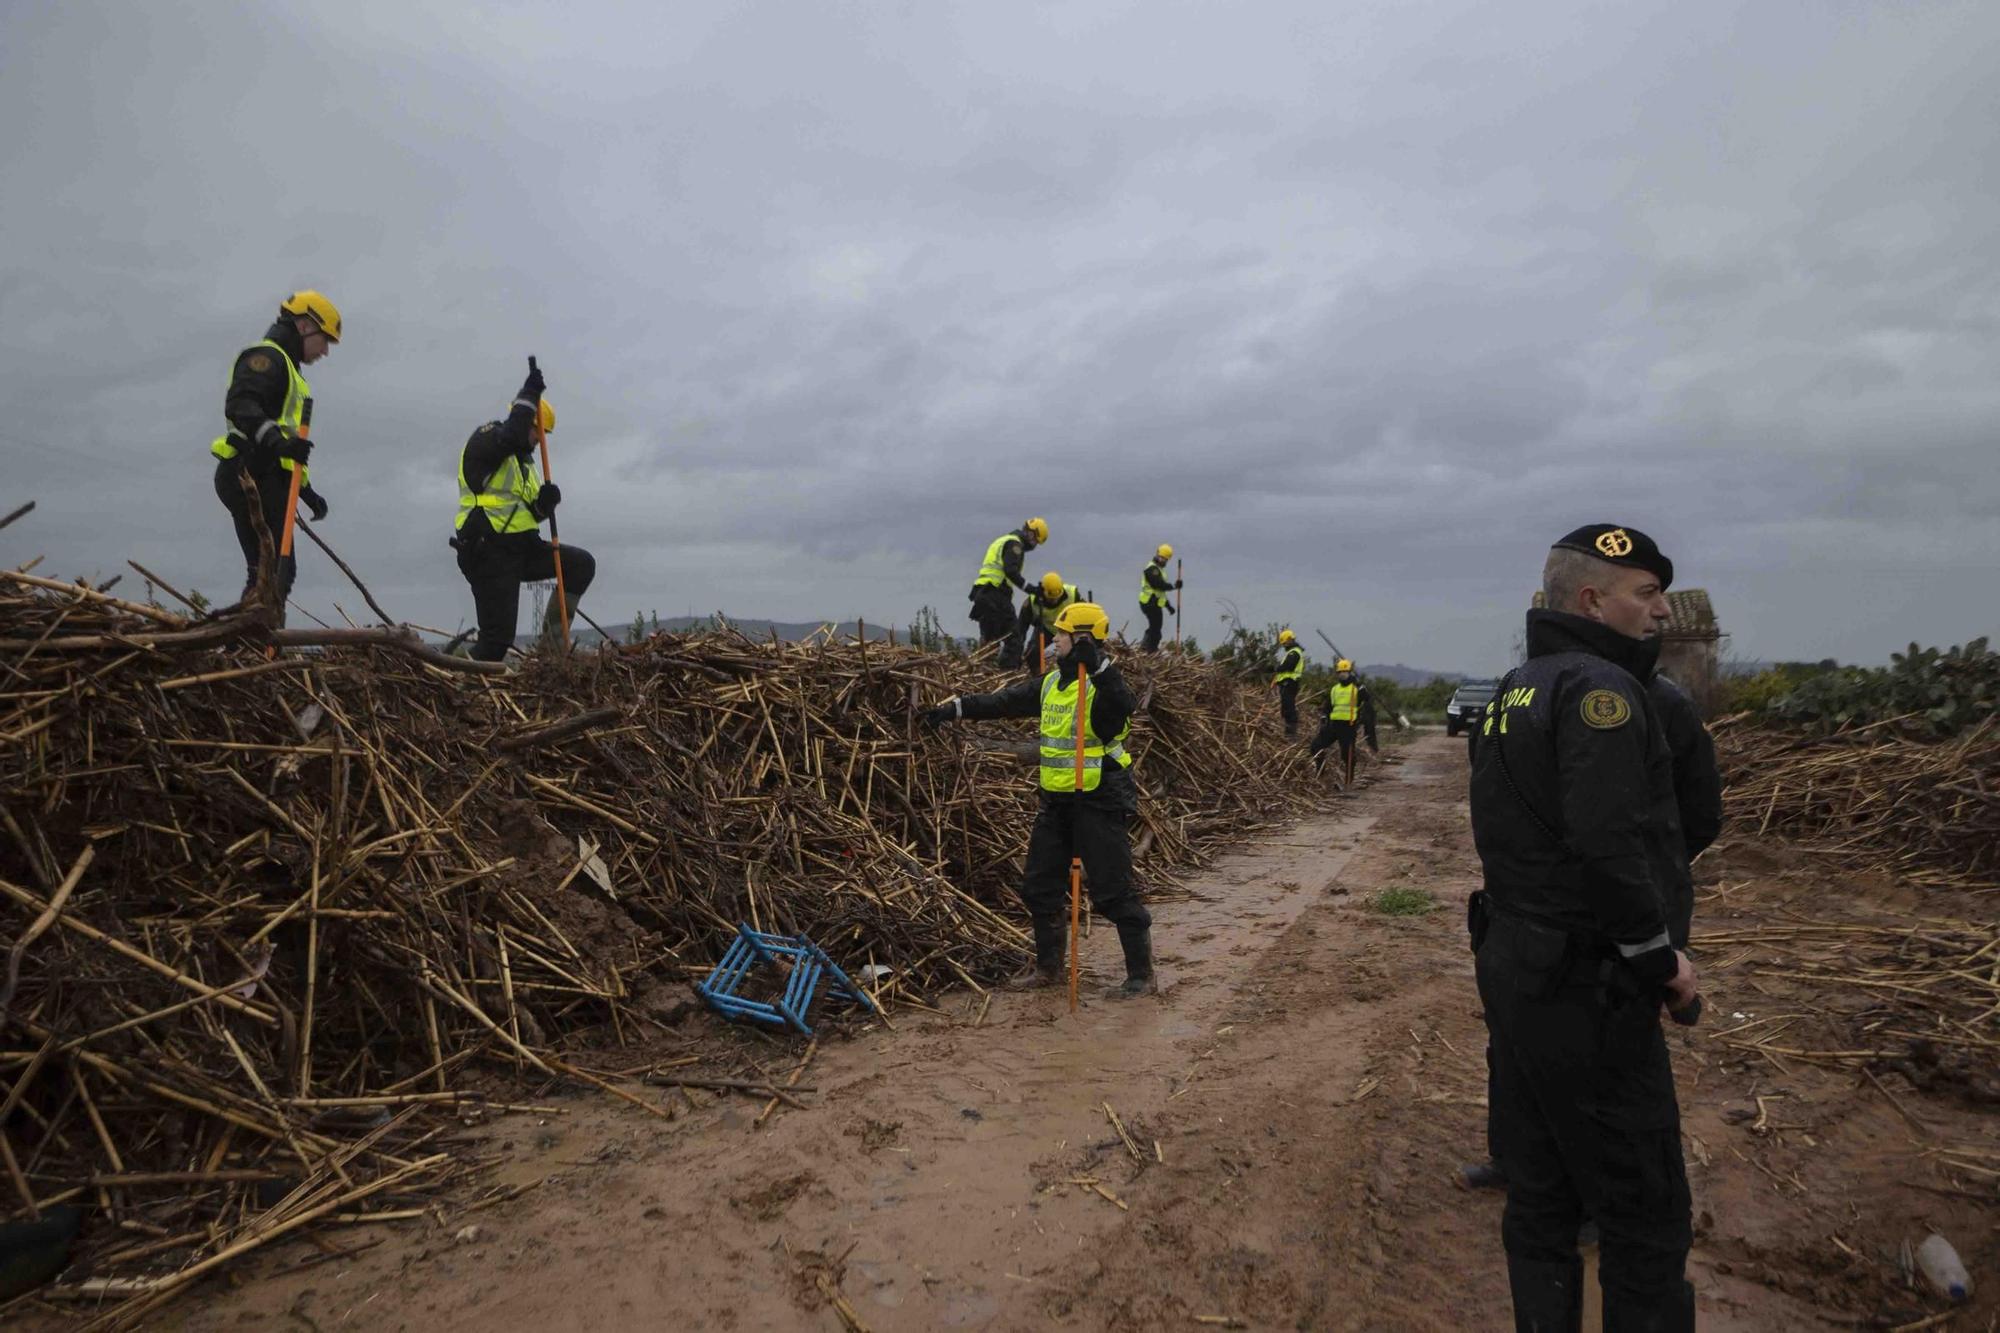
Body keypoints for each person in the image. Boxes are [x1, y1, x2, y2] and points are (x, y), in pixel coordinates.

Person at [1466, 523, 1700, 1331]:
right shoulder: (1602, 690)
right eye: (1645, 591)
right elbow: (1610, 842)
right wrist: (1656, 954)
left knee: (1540, 1200)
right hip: (1587, 988)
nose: (1662, 610)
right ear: (1593, 599)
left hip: (1516, 967)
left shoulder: (1514, 686)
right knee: (1645, 1216)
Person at [920, 602, 1155, 998]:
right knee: (1039, 886)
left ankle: (1141, 976)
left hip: (1099, 802)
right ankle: (1049, 969)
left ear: (1080, 639)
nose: (1054, 640)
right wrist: (954, 709)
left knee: (1114, 893)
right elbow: (1004, 702)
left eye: (1061, 634)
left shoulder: (1103, 686)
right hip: (1058, 804)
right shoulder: (1051, 684)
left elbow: (1123, 706)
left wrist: (1098, 667)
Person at [451, 359, 597, 662]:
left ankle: (551, 652)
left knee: (581, 565)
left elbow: (525, 514)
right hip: (487, 552)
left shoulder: (525, 462)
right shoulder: (489, 440)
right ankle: (452, 681)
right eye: (538, 433)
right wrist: (529, 393)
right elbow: (512, 436)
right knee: (495, 644)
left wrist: (543, 506)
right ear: (527, 422)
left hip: (522, 550)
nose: (539, 441)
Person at [210, 291, 340, 611]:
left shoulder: (291, 371)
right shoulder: (267, 358)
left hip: (268, 474)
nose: (325, 351)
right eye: (325, 340)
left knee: (272, 573)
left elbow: (288, 446)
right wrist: (277, 442)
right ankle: (249, 642)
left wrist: (307, 493)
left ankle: (251, 641)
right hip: (249, 472)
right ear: (306, 326)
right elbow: (241, 405)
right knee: (270, 573)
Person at [968, 518, 1049, 664]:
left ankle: (984, 671)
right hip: (995, 594)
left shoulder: (1003, 540)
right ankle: (1008, 677)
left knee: (990, 639)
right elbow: (1010, 570)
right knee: (1014, 638)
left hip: (982, 593)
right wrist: (1032, 589)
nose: (1034, 545)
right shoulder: (1014, 544)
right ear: (1031, 534)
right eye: (1036, 541)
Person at [1308, 660, 1370, 782]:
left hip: (1348, 726)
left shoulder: (1356, 688)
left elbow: (1367, 700)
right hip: (1334, 725)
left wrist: (1363, 691)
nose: (1342, 674)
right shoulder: (1335, 689)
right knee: (1316, 746)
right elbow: (1328, 706)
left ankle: (1349, 780)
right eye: (1340, 672)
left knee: (1347, 754)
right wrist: (1324, 716)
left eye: (1345, 672)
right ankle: (1321, 772)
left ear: (1350, 673)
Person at [1013, 571, 1079, 673]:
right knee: (1032, 653)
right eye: (1051, 598)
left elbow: (1084, 616)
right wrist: (1016, 654)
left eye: (1057, 598)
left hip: (1068, 629)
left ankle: (1074, 674)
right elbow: (1020, 630)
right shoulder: (1031, 602)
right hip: (1046, 629)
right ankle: (1038, 677)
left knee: (1073, 653)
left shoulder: (1073, 594)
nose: (1055, 601)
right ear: (1043, 591)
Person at [1138, 544, 1182, 652]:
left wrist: (1168, 606)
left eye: (1166, 559)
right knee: (1156, 628)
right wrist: (1174, 586)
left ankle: (1146, 647)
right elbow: (1158, 585)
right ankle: (1151, 650)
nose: (1163, 561)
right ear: (1157, 555)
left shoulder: (1159, 570)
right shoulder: (1152, 569)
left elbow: (1160, 593)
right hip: (1149, 602)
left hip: (1154, 602)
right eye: (1162, 558)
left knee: (1155, 627)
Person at [1272, 629, 1306, 736]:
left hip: (1290, 683)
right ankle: (1288, 733)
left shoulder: (1294, 653)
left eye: (1285, 643)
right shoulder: (1290, 653)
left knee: (1289, 708)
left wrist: (1276, 668)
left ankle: (1291, 734)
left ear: (1290, 640)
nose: (1284, 645)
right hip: (1285, 683)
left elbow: (1289, 666)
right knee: (1285, 709)